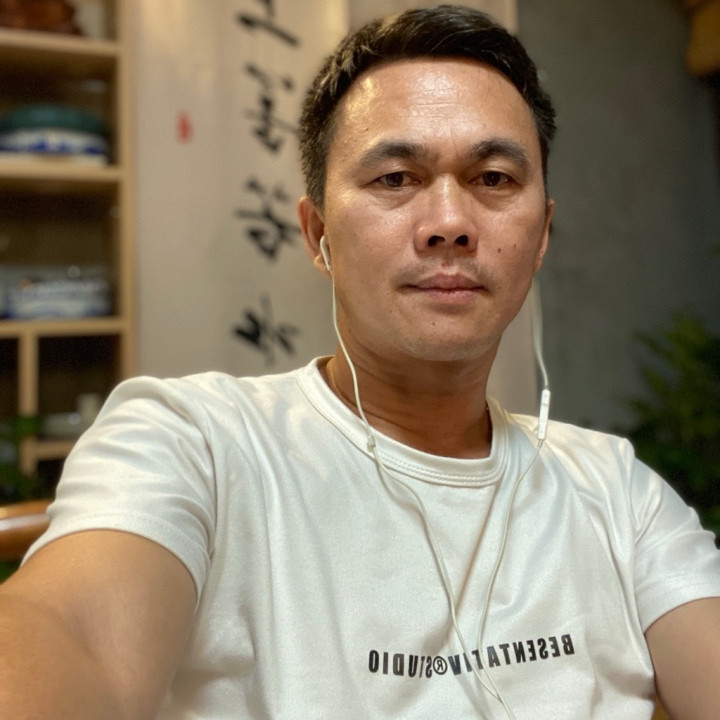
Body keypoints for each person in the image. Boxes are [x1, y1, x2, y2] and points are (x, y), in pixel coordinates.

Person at [2, 5, 719, 719]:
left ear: (542, 237)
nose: (449, 224)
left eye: (495, 178)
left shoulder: (616, 492)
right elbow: (74, 636)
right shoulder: (194, 445)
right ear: (317, 234)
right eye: (396, 178)